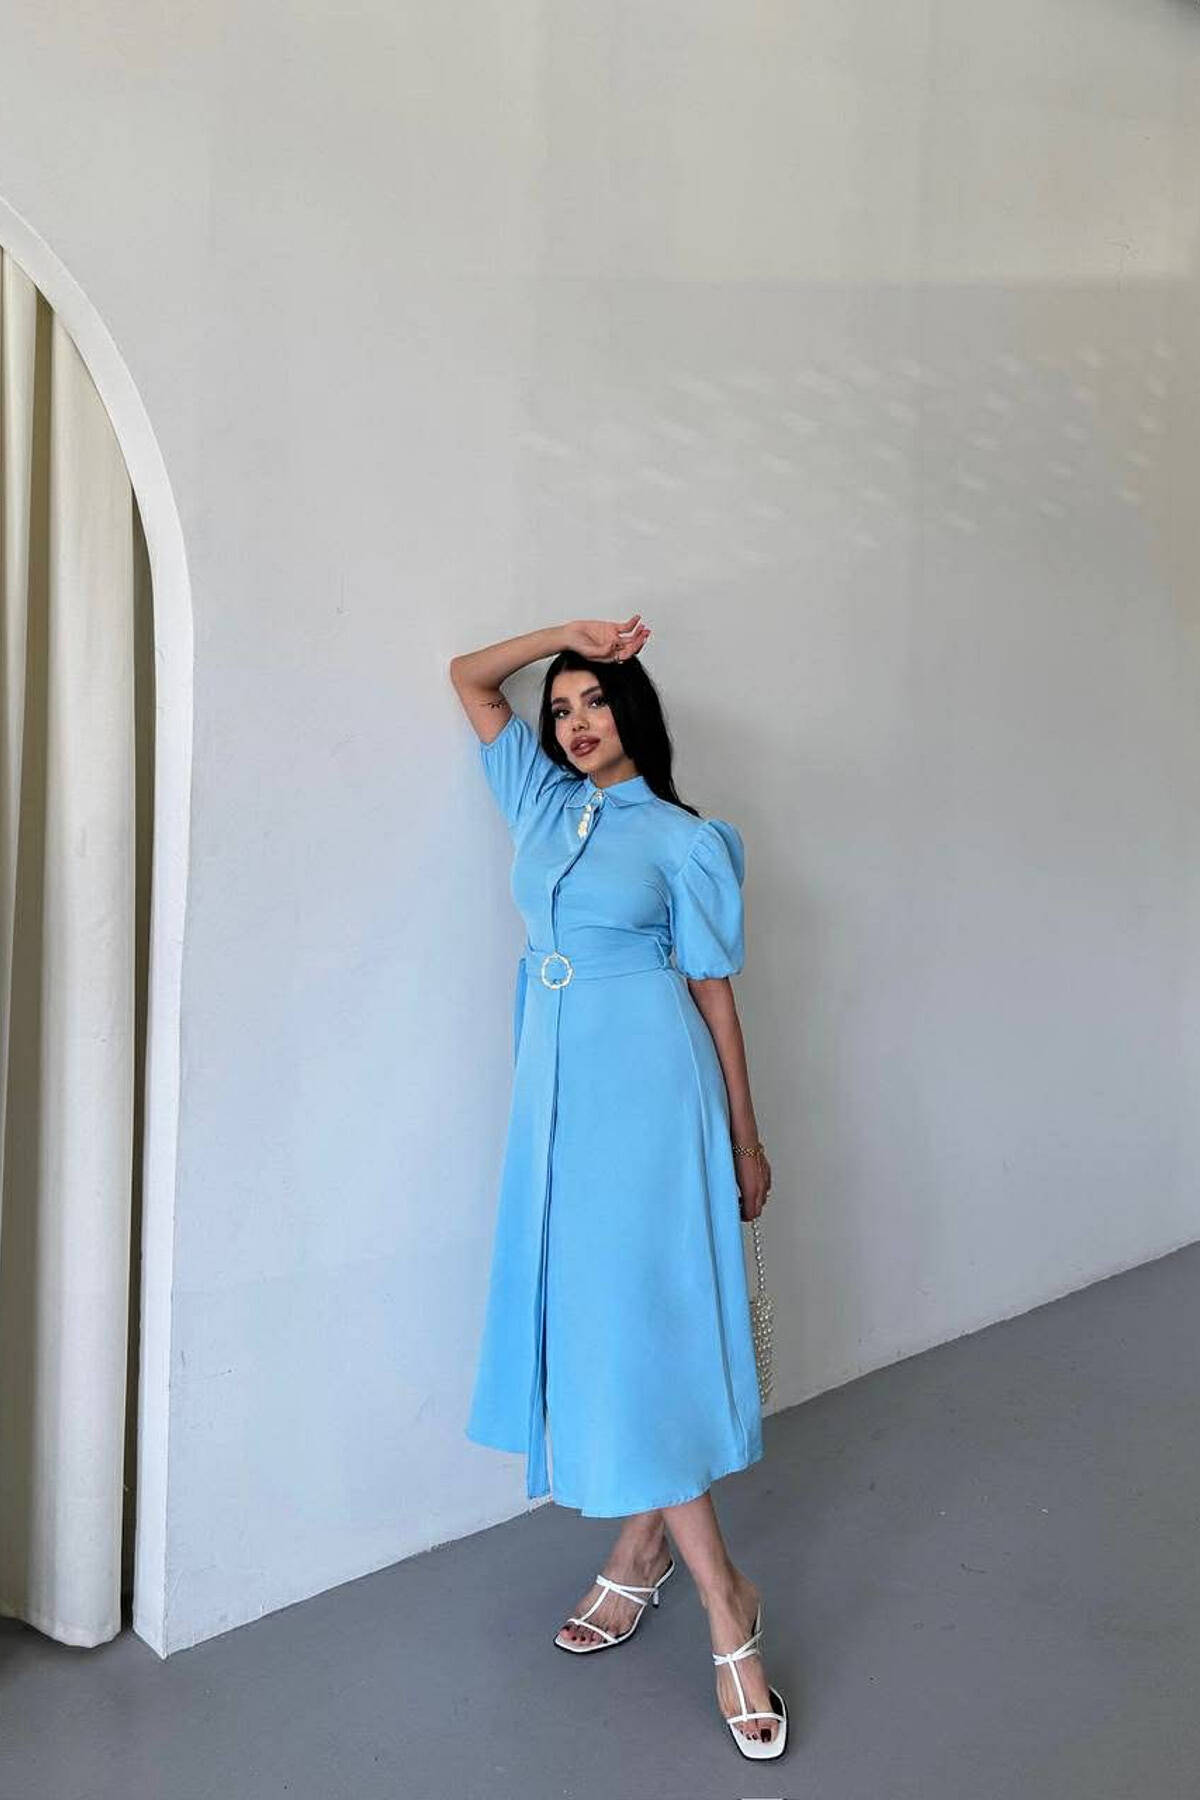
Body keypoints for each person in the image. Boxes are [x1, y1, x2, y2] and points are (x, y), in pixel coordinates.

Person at [449, 614, 788, 1760]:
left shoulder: (685, 842)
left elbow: (715, 996)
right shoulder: (541, 806)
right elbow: (468, 679)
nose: (575, 722)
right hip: (557, 1107)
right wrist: (565, 634)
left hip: (651, 1103)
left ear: (634, 712)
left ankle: (725, 1603)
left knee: (638, 1330)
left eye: (595, 700)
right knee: (609, 1328)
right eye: (561, 708)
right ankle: (642, 1549)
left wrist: (745, 1140)